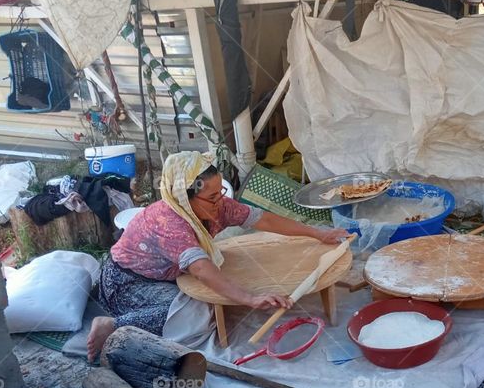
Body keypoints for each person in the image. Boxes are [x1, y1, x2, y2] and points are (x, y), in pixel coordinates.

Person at [87, 151, 348, 360]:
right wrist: (249, 298)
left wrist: (317, 233)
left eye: (220, 192)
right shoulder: (169, 221)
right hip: (129, 283)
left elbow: (264, 219)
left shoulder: (216, 206)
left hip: (164, 276)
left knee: (209, 305)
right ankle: (112, 324)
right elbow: (200, 268)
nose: (221, 201)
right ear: (184, 197)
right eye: (212, 196)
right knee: (199, 315)